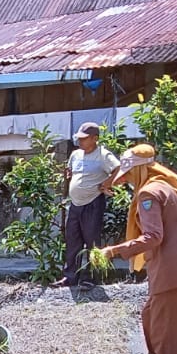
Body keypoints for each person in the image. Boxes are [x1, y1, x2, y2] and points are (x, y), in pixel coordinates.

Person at [97, 144, 177, 354]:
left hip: (174, 264)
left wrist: (114, 251)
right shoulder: (166, 186)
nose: (126, 181)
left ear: (138, 172)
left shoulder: (148, 194)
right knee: (155, 315)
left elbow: (153, 237)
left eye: (127, 176)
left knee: (168, 322)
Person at [55, 122, 119, 290]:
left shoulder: (103, 155)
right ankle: (70, 276)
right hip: (75, 205)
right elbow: (70, 170)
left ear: (95, 139)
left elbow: (119, 168)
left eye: (84, 139)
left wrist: (108, 183)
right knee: (73, 240)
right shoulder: (75, 154)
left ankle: (90, 278)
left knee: (92, 243)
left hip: (93, 203)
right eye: (79, 138)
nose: (80, 142)